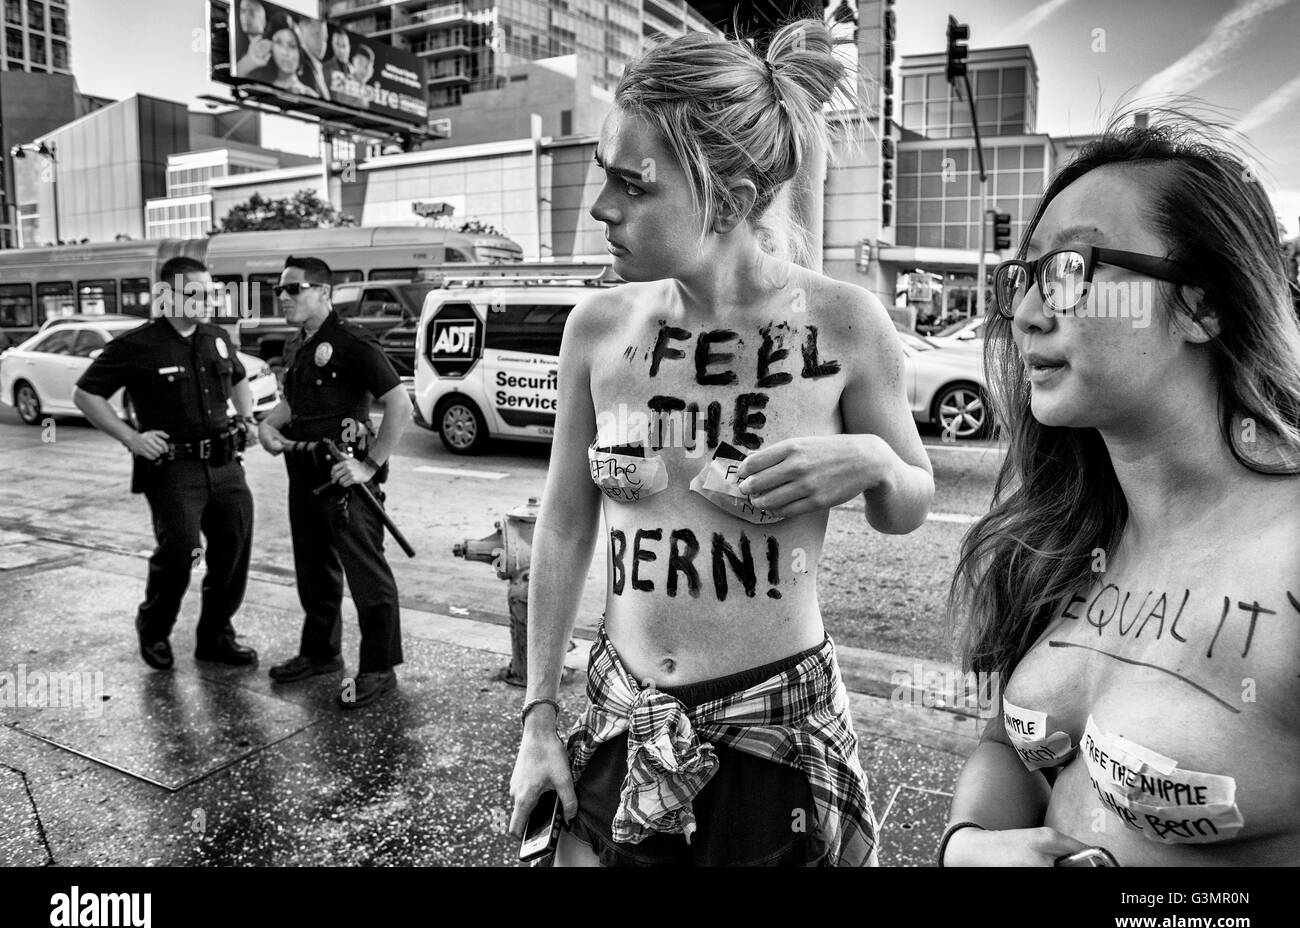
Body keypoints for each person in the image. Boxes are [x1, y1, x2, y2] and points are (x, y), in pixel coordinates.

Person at [507, 20, 934, 866]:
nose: (603, 208)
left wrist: (876, 463)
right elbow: (562, 524)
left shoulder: (844, 324)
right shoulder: (598, 330)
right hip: (622, 723)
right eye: (604, 175)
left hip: (775, 737)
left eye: (635, 185)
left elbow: (909, 505)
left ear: (731, 200)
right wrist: (539, 714)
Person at [942, 118, 1300, 866]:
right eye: (1026, 277)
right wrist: (968, 846)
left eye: (1071, 267)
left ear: (1204, 305)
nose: (1028, 314)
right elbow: (1008, 744)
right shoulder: (1061, 539)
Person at [72, 257, 258, 671]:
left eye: (212, 292)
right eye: (197, 293)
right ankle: (154, 628)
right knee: (180, 553)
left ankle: (215, 636)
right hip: (173, 470)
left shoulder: (216, 337)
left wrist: (246, 419)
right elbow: (85, 394)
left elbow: (240, 378)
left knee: (232, 551)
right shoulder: (137, 345)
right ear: (166, 296)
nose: (208, 300)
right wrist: (131, 438)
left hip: (227, 464)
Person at [257, 256, 410, 709]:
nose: (283, 297)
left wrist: (370, 465)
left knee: (367, 576)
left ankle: (379, 669)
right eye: (279, 290)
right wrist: (269, 424)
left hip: (346, 475)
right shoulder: (298, 346)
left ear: (324, 292)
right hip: (302, 471)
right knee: (314, 569)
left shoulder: (351, 341)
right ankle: (321, 653)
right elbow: (293, 403)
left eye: (294, 288)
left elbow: (399, 405)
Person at [247, 12, 319, 98]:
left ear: (300, 52)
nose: (285, 52)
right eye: (278, 43)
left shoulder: (311, 96)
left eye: (292, 45)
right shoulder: (261, 90)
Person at [233, 0, 270, 77]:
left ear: (264, 21)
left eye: (252, 13)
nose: (245, 17)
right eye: (243, 11)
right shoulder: (240, 48)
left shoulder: (268, 47)